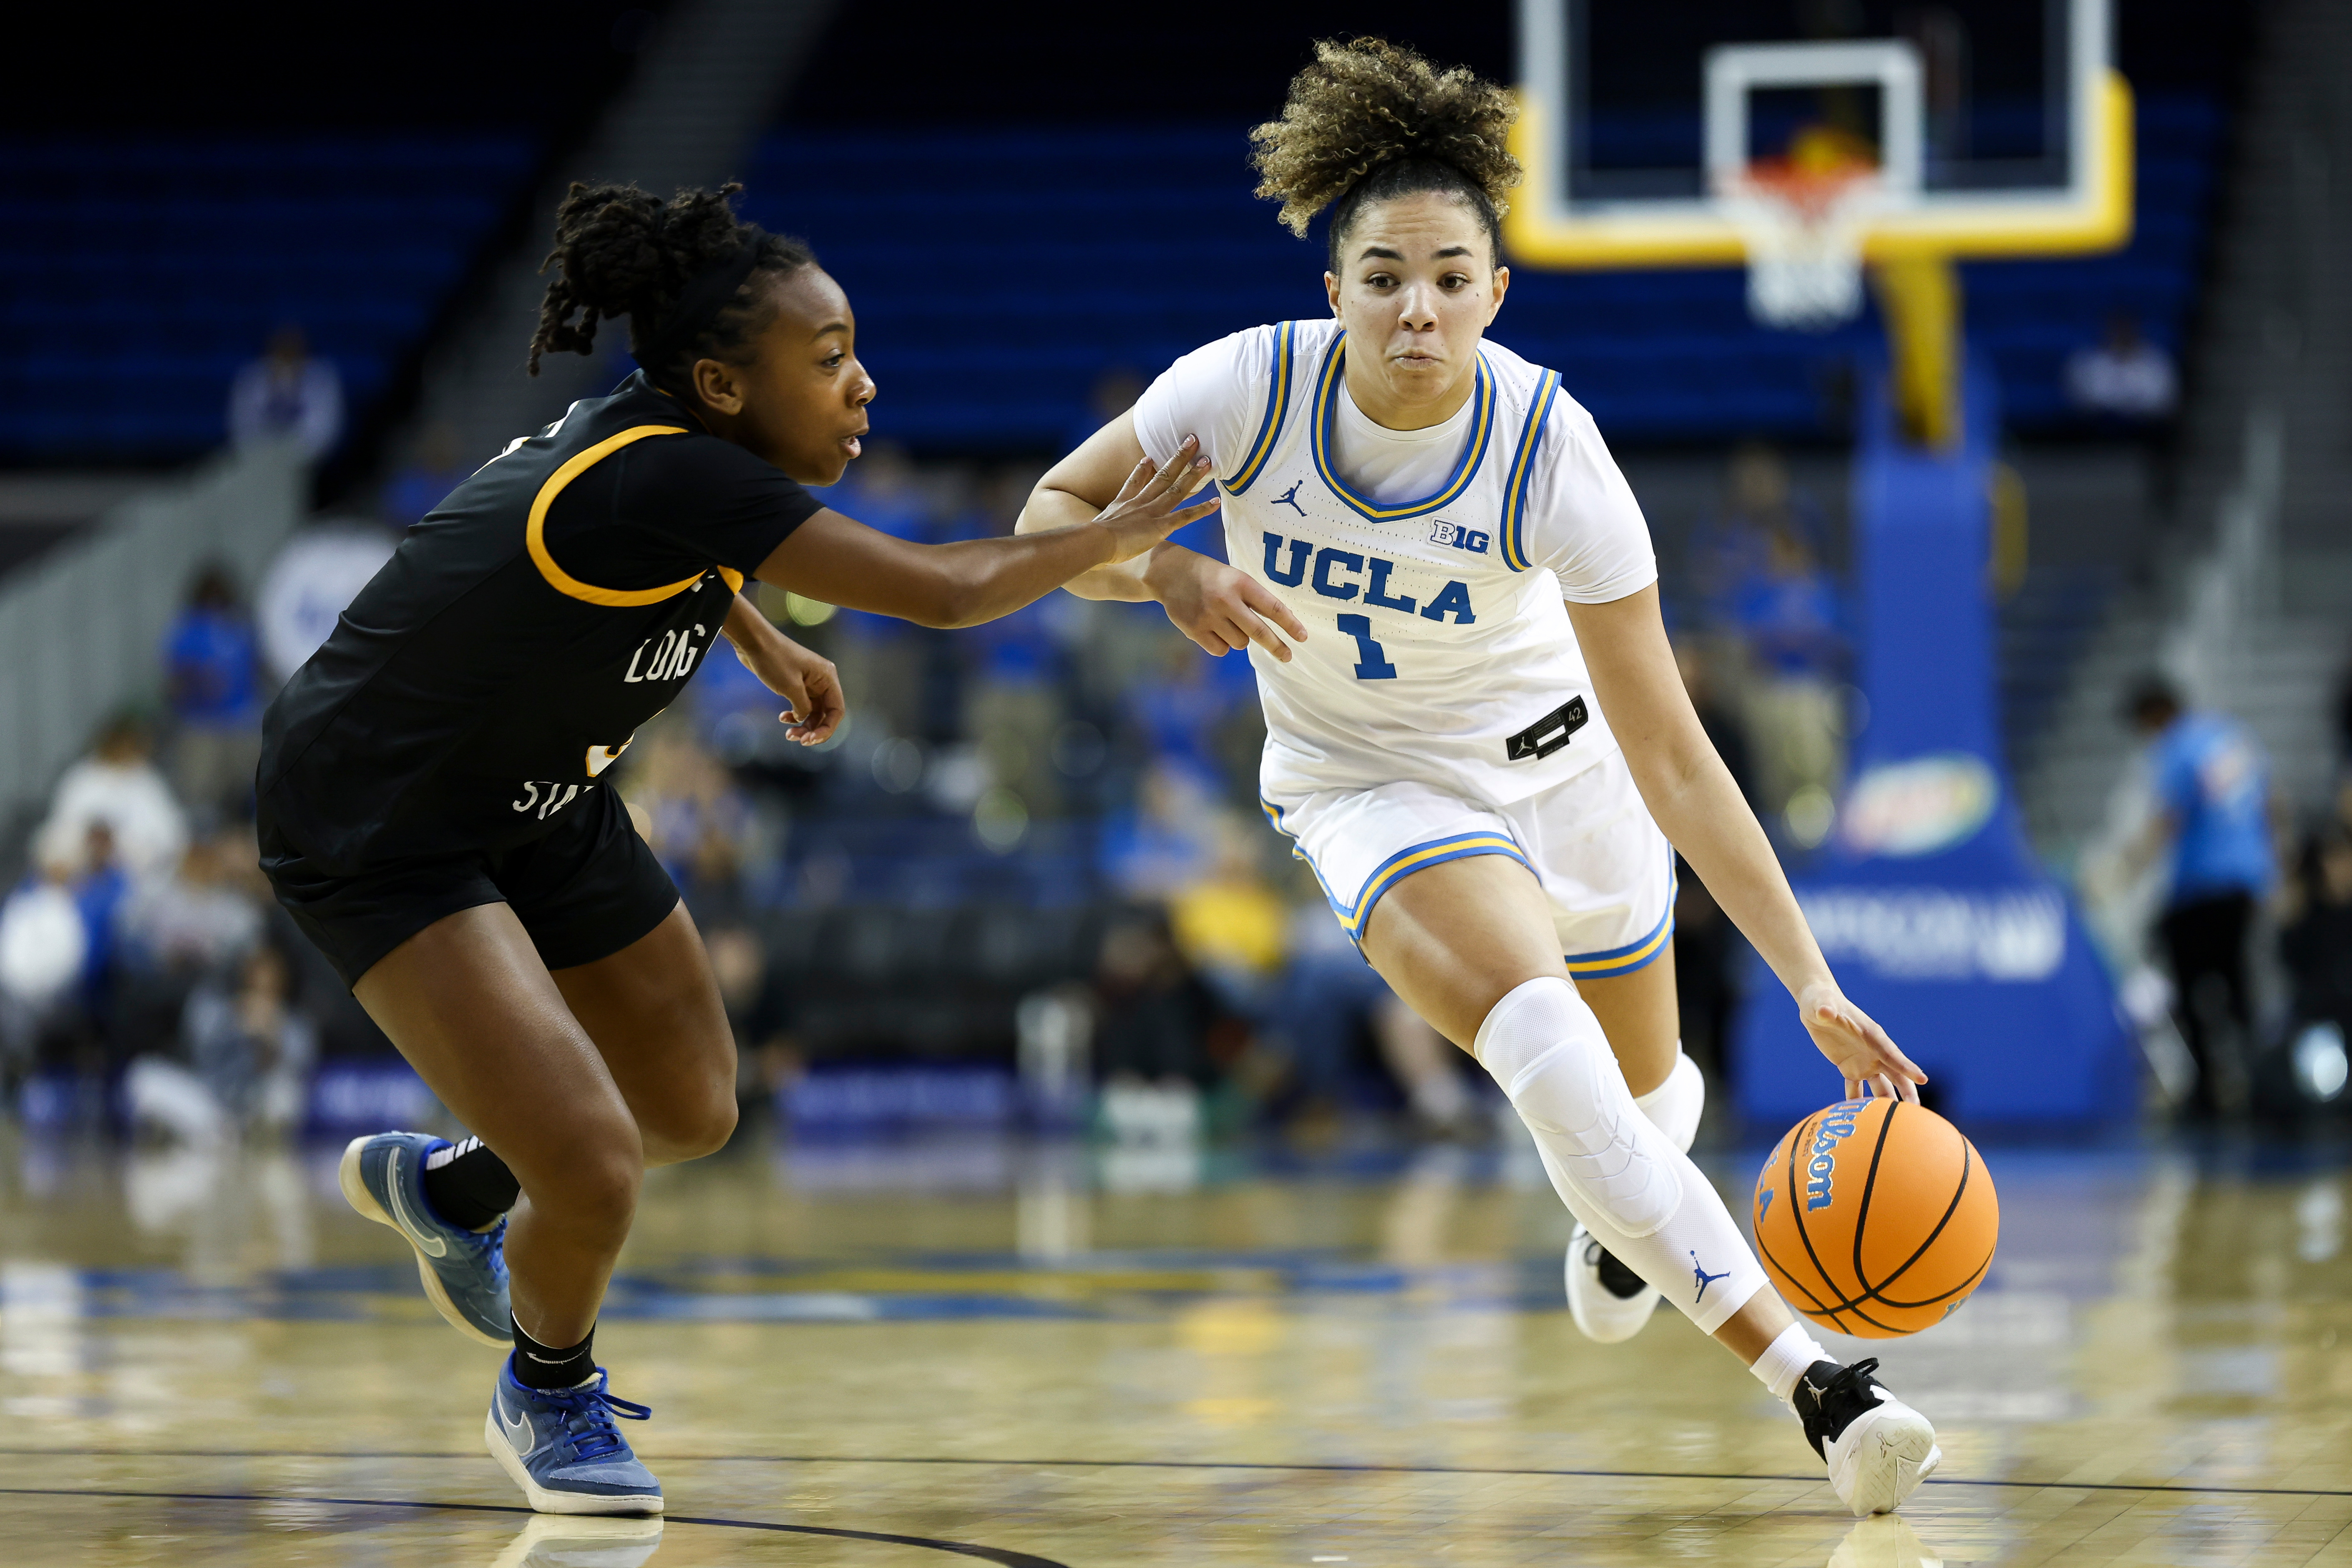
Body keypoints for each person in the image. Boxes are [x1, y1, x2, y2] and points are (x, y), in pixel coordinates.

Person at [1020, 40, 1938, 1518]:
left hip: (1572, 781)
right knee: (1548, 1058)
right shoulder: (1241, 389)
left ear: (1494, 292)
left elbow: (1670, 747)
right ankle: (1820, 1387)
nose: (1415, 307)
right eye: (1382, 275)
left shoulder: (1549, 448)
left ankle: (1621, 1217)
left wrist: (1807, 976)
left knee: (1647, 1102)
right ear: (1332, 288)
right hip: (1370, 783)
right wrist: (1162, 569)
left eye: (1448, 277)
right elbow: (1047, 516)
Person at [256, 181, 1215, 1517]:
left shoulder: (668, 444)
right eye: (827, 360)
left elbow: (668, 552)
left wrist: (757, 634)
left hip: (539, 790)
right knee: (592, 1161)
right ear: (719, 383)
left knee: (691, 1106)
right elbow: (940, 591)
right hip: (382, 814)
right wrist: (1111, 536)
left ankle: (454, 1188)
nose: (863, 384)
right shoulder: (668, 467)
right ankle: (547, 1390)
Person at [2119, 675, 2279, 1117]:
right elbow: (2270, 803)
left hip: (2200, 885)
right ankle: (2260, 1081)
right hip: (2244, 881)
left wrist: (2125, 867)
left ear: (2155, 715)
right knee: (2239, 983)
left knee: (2188, 988)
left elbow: (2168, 818)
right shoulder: (2232, 737)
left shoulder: (2176, 748)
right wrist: (2273, 867)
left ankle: (2207, 1087)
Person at [162, 563, 264, 821]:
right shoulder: (188, 629)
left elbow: (258, 668)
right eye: (210, 594)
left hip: (243, 723)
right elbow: (173, 683)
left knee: (256, 793)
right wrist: (197, 682)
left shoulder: (241, 626)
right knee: (201, 801)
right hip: (202, 726)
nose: (215, 600)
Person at [228, 325, 344, 460]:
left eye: (293, 346)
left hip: (307, 457)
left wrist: (297, 455)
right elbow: (242, 424)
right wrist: (261, 453)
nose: (288, 351)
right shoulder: (252, 377)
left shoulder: (321, 378)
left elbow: (324, 429)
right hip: (260, 455)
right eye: (282, 346)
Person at [2065, 314, 2178, 422]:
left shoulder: (2157, 361)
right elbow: (2081, 403)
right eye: (2117, 330)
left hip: (2145, 428)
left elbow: (2164, 402)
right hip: (2097, 427)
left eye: (2126, 329)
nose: (2121, 334)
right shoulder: (2086, 361)